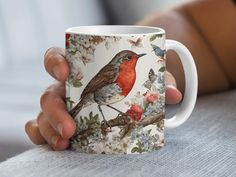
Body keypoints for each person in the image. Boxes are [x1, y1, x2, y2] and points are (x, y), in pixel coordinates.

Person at [25, 0, 236, 150]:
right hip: (95, 97)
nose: (134, 60)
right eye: (129, 58)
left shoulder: (127, 72)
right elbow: (197, 30)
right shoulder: (116, 71)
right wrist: (161, 72)